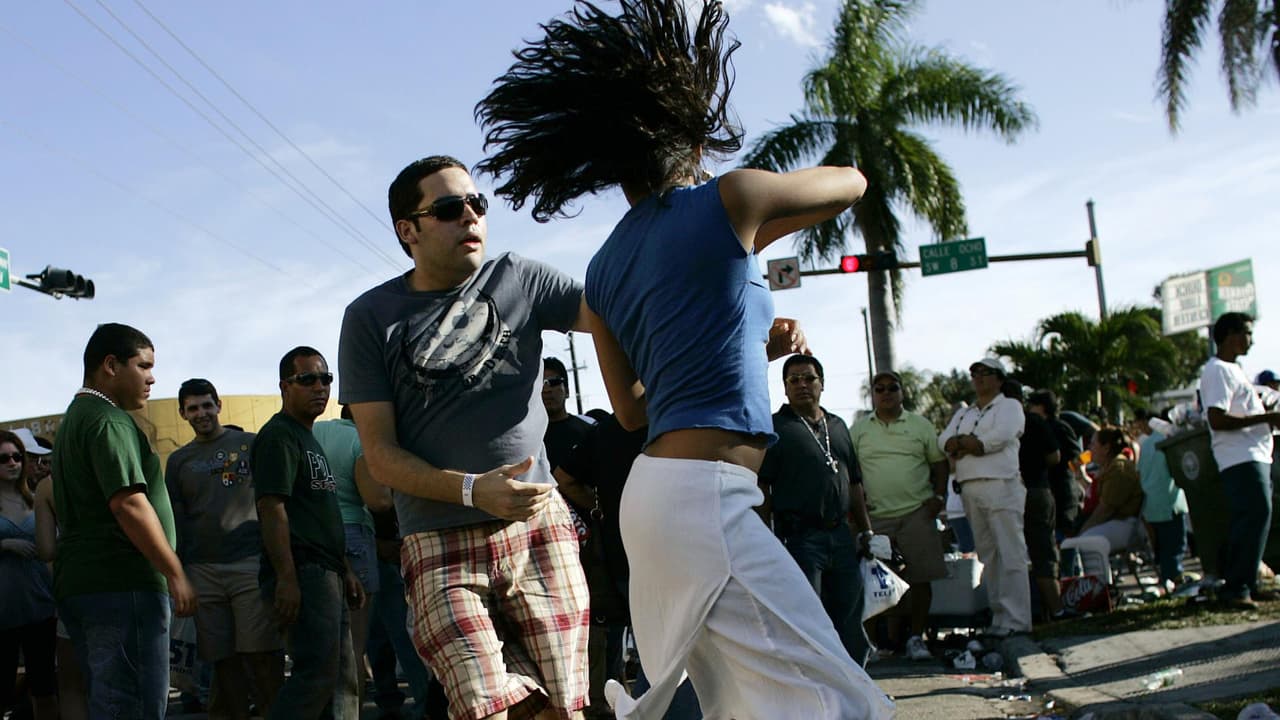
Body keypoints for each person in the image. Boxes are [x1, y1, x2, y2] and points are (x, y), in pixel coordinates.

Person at [474, 2, 895, 718]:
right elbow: (850, 184)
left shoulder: (605, 268)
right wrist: (756, 218)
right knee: (836, 696)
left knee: (747, 705)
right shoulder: (733, 198)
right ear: (691, 137)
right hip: (705, 500)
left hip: (657, 500)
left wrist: (750, 343)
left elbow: (633, 407)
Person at [338, 155, 592, 720]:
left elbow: (622, 315)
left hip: (538, 531)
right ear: (409, 230)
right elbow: (379, 456)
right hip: (438, 542)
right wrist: (475, 490)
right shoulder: (369, 317)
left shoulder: (520, 278)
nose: (471, 217)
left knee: (562, 709)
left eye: (478, 204)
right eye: (450, 209)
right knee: (487, 708)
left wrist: (742, 325)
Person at [51, 322, 195, 719]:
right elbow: (128, 503)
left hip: (90, 586)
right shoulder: (108, 420)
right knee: (132, 706)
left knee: (113, 701)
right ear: (110, 365)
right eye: (143, 365)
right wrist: (174, 570)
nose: (152, 377)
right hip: (122, 586)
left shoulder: (78, 418)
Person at [252, 347, 364, 719]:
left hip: (328, 571)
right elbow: (271, 507)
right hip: (304, 571)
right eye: (308, 379)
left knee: (342, 678)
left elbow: (321, 514)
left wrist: (345, 568)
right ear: (285, 386)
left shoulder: (308, 438)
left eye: (325, 379)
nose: (320, 387)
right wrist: (286, 578)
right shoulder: (278, 436)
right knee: (315, 677)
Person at [166, 378, 284, 719]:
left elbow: (273, 502)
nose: (201, 413)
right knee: (223, 662)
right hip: (201, 570)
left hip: (250, 562)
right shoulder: (178, 461)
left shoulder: (250, 444)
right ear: (183, 414)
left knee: (262, 656)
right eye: (193, 408)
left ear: (218, 405)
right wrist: (179, 574)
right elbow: (176, 518)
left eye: (206, 405)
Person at [758, 355, 874, 666]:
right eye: (793, 380)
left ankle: (857, 689)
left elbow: (855, 483)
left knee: (849, 617)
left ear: (821, 384)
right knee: (807, 618)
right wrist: (764, 537)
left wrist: (866, 531)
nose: (801, 385)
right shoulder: (775, 427)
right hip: (799, 538)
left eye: (808, 378)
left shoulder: (837, 425)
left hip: (841, 536)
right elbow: (762, 488)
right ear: (785, 389)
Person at [850, 370, 948, 660]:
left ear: (902, 392)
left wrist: (939, 497)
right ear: (873, 395)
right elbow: (849, 471)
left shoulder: (921, 425)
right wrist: (855, 509)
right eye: (879, 389)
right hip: (875, 518)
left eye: (892, 387)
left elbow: (940, 463)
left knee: (920, 580)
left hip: (917, 513)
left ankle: (916, 638)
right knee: (874, 583)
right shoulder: (859, 429)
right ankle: (874, 645)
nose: (886, 393)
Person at [938, 358, 1030, 638]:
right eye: (974, 373)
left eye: (985, 373)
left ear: (999, 379)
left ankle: (1018, 619)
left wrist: (971, 443)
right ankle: (1000, 616)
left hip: (1000, 485)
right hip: (970, 487)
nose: (978, 378)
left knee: (1010, 553)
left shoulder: (1009, 406)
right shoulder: (965, 413)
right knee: (989, 555)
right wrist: (961, 444)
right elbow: (945, 440)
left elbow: (999, 436)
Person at [311, 405, 392, 707]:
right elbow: (379, 500)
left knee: (325, 645)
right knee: (354, 645)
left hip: (314, 535)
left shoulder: (315, 432)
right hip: (353, 534)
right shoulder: (362, 441)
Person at [1199, 313, 1279, 609]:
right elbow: (1217, 419)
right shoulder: (1217, 369)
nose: (1251, 339)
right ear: (1230, 335)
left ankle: (1248, 583)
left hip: (1254, 455)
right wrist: (1268, 417)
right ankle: (1236, 587)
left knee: (1258, 518)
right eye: (1247, 332)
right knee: (1253, 516)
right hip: (1239, 458)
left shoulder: (1233, 370)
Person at [0, 429, 58, 720]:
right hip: (4, 611)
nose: (12, 462)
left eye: (17, 456)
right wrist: (4, 544)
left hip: (41, 606)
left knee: (45, 688)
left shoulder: (37, 498)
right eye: (3, 458)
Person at [1002, 381, 1063, 622]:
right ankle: (1055, 609)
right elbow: (1055, 456)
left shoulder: (994, 424)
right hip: (1036, 489)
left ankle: (1030, 612)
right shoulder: (1033, 421)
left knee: (1014, 556)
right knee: (1043, 553)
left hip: (1008, 493)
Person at [1136, 412, 1190, 592]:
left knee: (1162, 549)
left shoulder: (1146, 444)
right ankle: (1175, 584)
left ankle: (1167, 583)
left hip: (1151, 505)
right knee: (1174, 548)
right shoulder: (1170, 441)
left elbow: (1140, 473)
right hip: (1170, 502)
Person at [1079, 428, 1144, 552]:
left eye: (1093, 444)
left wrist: (1083, 531)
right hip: (1118, 521)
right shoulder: (1108, 467)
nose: (1089, 448)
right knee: (1080, 540)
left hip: (1128, 523)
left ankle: (1098, 572)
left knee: (1083, 542)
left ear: (1106, 448)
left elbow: (1105, 510)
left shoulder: (1118, 469)